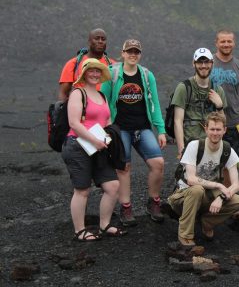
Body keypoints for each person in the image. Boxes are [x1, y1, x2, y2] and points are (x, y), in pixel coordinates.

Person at [100, 39, 166, 226]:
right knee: (124, 167)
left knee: (158, 163)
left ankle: (153, 202)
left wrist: (160, 130)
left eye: (136, 52)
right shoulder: (112, 74)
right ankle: (126, 207)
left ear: (140, 54)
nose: (133, 55)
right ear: (122, 53)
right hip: (120, 129)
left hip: (142, 127)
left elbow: (154, 105)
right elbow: (103, 101)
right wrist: (105, 130)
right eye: (129, 51)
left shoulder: (146, 75)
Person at [61, 58, 126, 241]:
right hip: (77, 145)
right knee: (82, 189)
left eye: (98, 71)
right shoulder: (78, 93)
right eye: (91, 71)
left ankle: (104, 225)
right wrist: (95, 140)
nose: (95, 74)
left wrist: (108, 136)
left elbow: (106, 120)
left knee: (112, 186)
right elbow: (74, 123)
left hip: (98, 147)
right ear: (84, 73)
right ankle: (80, 231)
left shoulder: (102, 96)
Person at [168, 112, 239, 247]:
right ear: (205, 129)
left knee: (238, 201)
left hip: (208, 194)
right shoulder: (195, 146)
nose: (215, 133)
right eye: (212, 129)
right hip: (184, 195)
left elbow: (236, 185)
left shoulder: (227, 149)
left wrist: (221, 197)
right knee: (197, 190)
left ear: (225, 130)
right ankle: (185, 235)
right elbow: (191, 179)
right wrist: (219, 186)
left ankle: (206, 222)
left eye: (218, 129)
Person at [171, 48, 226, 159]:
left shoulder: (218, 90)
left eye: (207, 62)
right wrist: (182, 150)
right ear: (193, 63)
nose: (203, 65)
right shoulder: (184, 88)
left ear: (212, 64)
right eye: (200, 62)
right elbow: (177, 121)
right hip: (190, 147)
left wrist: (219, 106)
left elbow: (222, 123)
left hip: (212, 146)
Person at [210, 30, 239, 156]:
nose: (226, 44)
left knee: (234, 163)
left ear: (234, 43)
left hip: (236, 124)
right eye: (222, 41)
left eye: (229, 41)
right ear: (216, 43)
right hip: (212, 122)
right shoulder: (207, 64)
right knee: (211, 160)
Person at [58, 28, 114, 101]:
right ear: (89, 42)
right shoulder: (73, 63)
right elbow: (64, 94)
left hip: (105, 109)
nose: (100, 41)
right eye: (96, 38)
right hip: (81, 109)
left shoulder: (113, 65)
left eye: (103, 39)